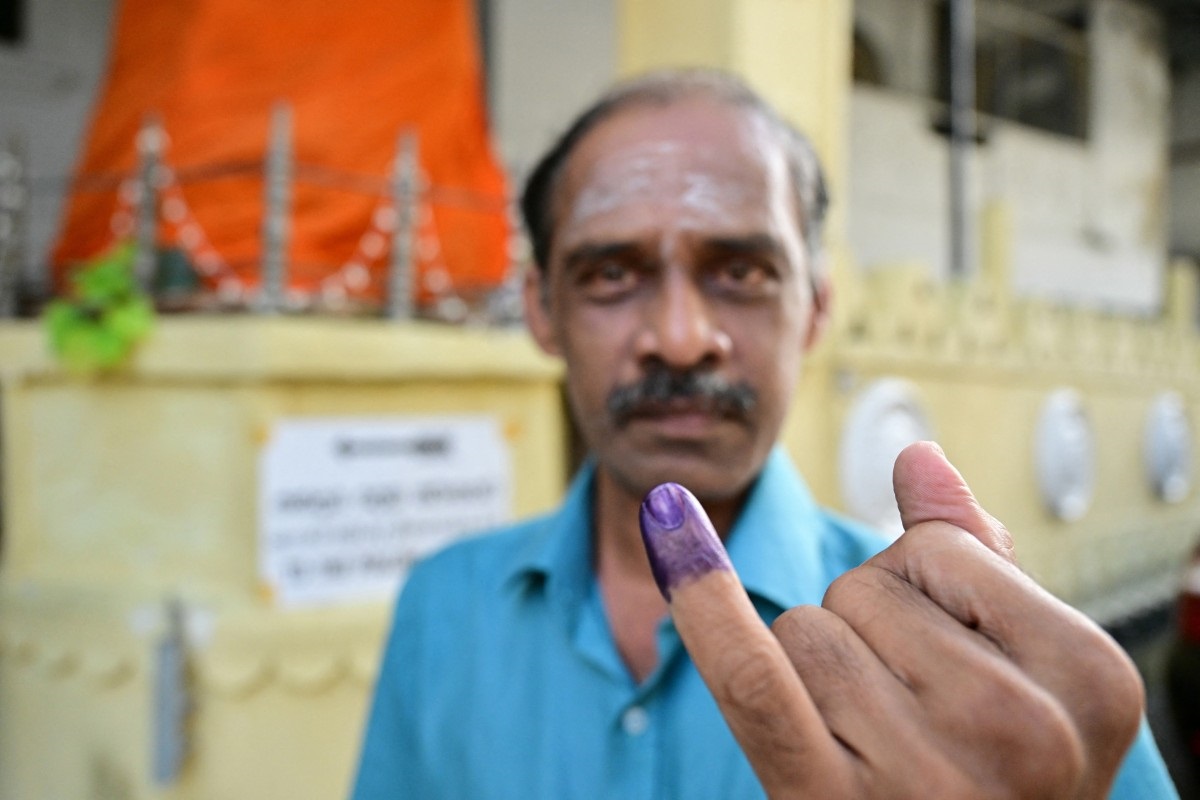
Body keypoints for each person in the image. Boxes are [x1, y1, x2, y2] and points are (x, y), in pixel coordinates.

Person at [352, 69, 1177, 798]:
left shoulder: (991, 664)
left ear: (814, 309)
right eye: (612, 274)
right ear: (541, 310)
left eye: (741, 272)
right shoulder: (444, 608)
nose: (680, 339)